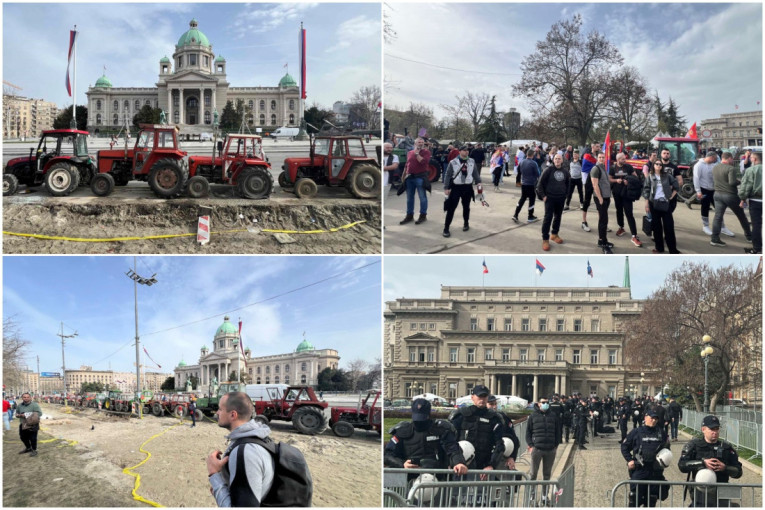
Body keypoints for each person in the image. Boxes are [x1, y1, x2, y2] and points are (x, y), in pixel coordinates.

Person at [206, 392, 275, 507]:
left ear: (233, 415)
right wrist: (222, 490)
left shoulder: (246, 452)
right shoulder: (258, 437)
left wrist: (214, 474)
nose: (217, 412)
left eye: (220, 409)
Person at [384, 398, 468, 474]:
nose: (419, 422)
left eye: (422, 418)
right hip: (408, 478)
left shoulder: (441, 430)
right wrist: (402, 464)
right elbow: (388, 454)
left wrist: (459, 462)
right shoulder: (402, 431)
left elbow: (453, 449)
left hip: (436, 477)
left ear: (428, 415)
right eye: (417, 419)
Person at [678, 415, 743, 507]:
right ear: (703, 429)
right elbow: (682, 465)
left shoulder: (727, 448)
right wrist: (702, 463)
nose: (715, 432)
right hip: (701, 492)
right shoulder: (694, 446)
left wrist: (725, 468)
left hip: (722, 492)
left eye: (717, 429)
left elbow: (738, 471)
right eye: (712, 429)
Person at [620, 409, 670, 507]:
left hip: (655, 471)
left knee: (651, 499)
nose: (654, 420)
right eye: (652, 418)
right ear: (645, 418)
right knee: (635, 499)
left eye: (656, 419)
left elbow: (667, 449)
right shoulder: (636, 432)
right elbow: (624, 446)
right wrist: (629, 460)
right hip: (640, 469)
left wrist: (665, 459)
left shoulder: (661, 433)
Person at [449, 385, 505, 473]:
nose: (482, 399)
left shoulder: (495, 418)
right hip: (461, 465)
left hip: (484, 466)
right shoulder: (461, 415)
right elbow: (451, 441)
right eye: (479, 396)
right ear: (472, 397)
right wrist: (456, 461)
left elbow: (499, 444)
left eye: (484, 396)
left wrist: (491, 465)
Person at [710, 152, 752, 247]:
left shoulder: (715, 167)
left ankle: (714, 238)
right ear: (729, 158)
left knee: (718, 217)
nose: (733, 161)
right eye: (732, 159)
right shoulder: (731, 168)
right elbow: (732, 182)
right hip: (730, 195)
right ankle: (749, 236)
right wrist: (739, 181)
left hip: (717, 194)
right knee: (741, 216)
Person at [526, 398, 562, 506]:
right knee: (533, 474)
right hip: (537, 449)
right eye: (543, 402)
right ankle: (532, 496)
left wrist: (556, 445)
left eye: (547, 402)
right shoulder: (533, 416)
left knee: (547, 475)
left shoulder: (553, 416)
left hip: (550, 449)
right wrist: (531, 446)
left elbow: (558, 431)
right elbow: (528, 432)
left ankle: (544, 496)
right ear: (538, 404)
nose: (545, 404)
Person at [442, 146, 483, 238]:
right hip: (456, 187)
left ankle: (466, 223)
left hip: (467, 187)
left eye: (467, 150)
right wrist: (446, 188)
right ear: (459, 151)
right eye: (464, 150)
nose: (466, 152)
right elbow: (448, 175)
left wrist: (479, 183)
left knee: (466, 207)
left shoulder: (471, 161)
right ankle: (446, 228)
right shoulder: (453, 162)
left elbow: (475, 173)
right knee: (451, 208)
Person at [642, 160, 680, 253]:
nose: (658, 165)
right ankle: (659, 248)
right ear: (653, 166)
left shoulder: (667, 176)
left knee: (669, 227)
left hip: (665, 204)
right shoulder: (650, 177)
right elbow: (646, 190)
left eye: (660, 164)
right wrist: (646, 204)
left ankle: (673, 250)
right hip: (654, 203)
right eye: (657, 164)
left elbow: (676, 185)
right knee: (657, 227)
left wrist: (672, 195)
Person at [536, 153, 570, 251]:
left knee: (558, 217)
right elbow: (539, 185)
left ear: (562, 160)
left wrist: (566, 195)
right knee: (548, 218)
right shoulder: (548, 170)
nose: (557, 160)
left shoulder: (565, 172)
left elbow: (568, 184)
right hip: (549, 198)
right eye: (556, 158)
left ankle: (554, 234)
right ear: (553, 160)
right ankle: (545, 239)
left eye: (559, 159)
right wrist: (543, 196)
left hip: (560, 198)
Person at [610, 153, 643, 247]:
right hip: (617, 194)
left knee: (629, 214)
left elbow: (635, 177)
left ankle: (634, 235)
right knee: (619, 211)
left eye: (625, 159)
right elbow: (609, 178)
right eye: (623, 159)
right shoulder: (613, 168)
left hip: (627, 194)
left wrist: (628, 180)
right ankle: (621, 227)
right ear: (618, 159)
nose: (625, 160)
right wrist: (616, 181)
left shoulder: (628, 167)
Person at [400, 137, 431, 225]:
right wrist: (403, 176)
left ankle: (423, 215)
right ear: (415, 143)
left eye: (422, 142)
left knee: (422, 197)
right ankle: (409, 215)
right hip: (410, 178)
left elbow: (423, 162)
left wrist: (417, 154)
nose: (420, 143)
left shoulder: (426, 152)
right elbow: (407, 164)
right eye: (419, 142)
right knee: (409, 198)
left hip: (420, 177)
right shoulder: (410, 153)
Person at [487, 395, 520, 470]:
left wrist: (512, 457)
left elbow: (514, 439)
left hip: (501, 457)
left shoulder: (503, 418)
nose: (494, 407)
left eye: (495, 404)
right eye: (491, 404)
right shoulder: (477, 418)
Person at [693, 150, 722, 236]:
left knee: (719, 207)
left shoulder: (714, 165)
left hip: (713, 189)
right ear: (711, 157)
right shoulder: (699, 165)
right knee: (705, 206)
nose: (716, 160)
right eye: (715, 158)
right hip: (704, 189)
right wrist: (698, 191)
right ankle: (705, 226)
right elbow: (696, 178)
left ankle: (722, 226)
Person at [738, 149, 762, 254]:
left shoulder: (751, 170)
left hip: (756, 200)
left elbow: (746, 186)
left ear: (754, 159)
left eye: (751, 157)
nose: (750, 159)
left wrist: (742, 199)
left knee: (756, 225)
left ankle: (757, 248)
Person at [590, 153, 614, 253]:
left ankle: (602, 240)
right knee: (603, 221)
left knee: (603, 220)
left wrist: (616, 180)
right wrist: (600, 198)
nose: (601, 159)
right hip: (601, 198)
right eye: (599, 157)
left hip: (606, 197)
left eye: (603, 157)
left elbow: (606, 180)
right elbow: (595, 185)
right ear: (597, 158)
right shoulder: (595, 169)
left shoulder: (603, 167)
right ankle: (603, 244)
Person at [16, 393, 42, 457]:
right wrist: (18, 415)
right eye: (24, 397)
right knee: (23, 437)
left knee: (33, 438)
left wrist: (26, 415)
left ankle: (34, 450)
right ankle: (28, 448)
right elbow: (17, 413)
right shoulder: (19, 405)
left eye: (27, 397)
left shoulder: (34, 405)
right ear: (22, 398)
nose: (26, 398)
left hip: (33, 424)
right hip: (23, 424)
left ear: (30, 398)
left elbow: (39, 413)